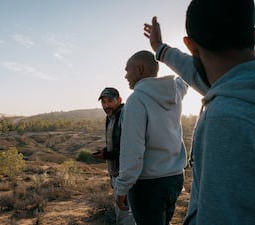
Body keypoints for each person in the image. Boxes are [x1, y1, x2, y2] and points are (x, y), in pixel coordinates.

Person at [143, 0, 255, 224]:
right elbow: (197, 73)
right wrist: (160, 49)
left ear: (190, 45)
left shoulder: (226, 117)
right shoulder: (242, 87)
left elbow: (220, 216)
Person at [115, 50, 188, 225]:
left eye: (128, 70)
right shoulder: (175, 91)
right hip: (175, 179)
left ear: (140, 69)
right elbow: (185, 77)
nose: (125, 76)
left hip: (149, 184)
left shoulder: (136, 100)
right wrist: (165, 50)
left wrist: (122, 187)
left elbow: (133, 150)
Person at [93, 87, 135, 225]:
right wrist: (105, 152)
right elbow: (116, 144)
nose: (106, 105)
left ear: (120, 100)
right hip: (115, 174)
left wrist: (106, 154)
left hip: (125, 174)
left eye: (110, 101)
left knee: (126, 216)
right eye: (103, 102)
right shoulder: (110, 118)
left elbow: (129, 150)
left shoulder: (125, 116)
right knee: (122, 214)